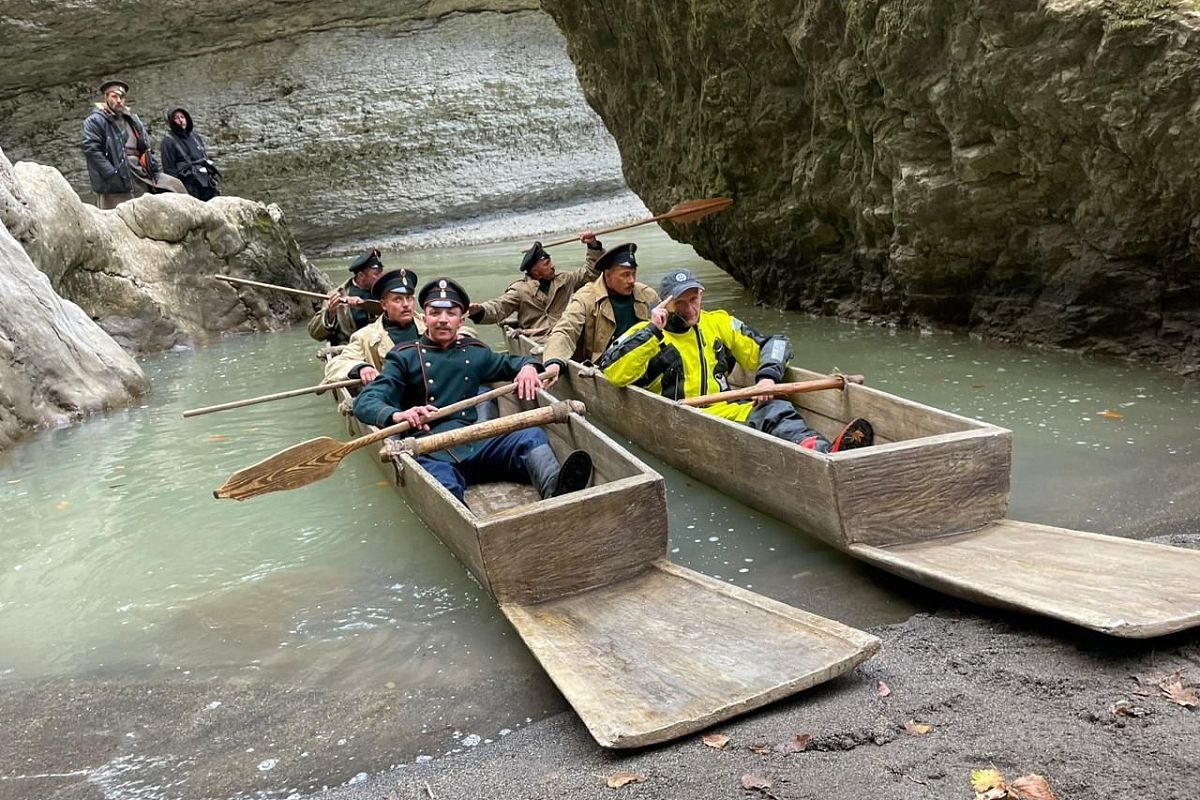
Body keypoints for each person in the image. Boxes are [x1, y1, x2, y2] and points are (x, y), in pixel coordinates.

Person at [353, 278, 593, 505]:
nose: (443, 319)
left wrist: (529, 367)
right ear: (424, 318)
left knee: (530, 436)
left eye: (451, 313)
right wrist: (398, 415)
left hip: (477, 443)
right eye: (435, 313)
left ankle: (555, 490)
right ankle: (465, 522)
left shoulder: (475, 352)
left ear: (461, 320)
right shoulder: (403, 357)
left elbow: (511, 363)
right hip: (430, 450)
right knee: (444, 488)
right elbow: (365, 401)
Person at [597, 268, 874, 453]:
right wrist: (653, 329)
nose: (690, 308)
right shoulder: (644, 333)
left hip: (724, 409)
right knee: (768, 417)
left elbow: (775, 343)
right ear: (666, 303)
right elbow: (613, 373)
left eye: (694, 299)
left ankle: (823, 451)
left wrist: (767, 378)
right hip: (678, 417)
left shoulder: (719, 322)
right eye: (681, 302)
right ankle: (821, 452)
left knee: (774, 409)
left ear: (701, 296)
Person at [540, 242, 659, 385]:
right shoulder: (586, 298)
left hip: (645, 368)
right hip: (604, 372)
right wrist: (554, 361)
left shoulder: (647, 295)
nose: (632, 280)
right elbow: (565, 330)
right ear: (607, 275)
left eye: (633, 273)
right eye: (625, 275)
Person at [466, 232, 604, 340]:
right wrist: (480, 310)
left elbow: (591, 272)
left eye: (550, 262)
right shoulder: (520, 290)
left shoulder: (565, 280)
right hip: (538, 339)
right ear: (535, 271)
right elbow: (499, 307)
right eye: (546, 264)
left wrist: (592, 245)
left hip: (567, 336)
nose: (552, 266)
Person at [80, 79, 185, 209]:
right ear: (106, 98)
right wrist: (111, 172)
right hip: (115, 177)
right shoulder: (95, 121)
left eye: (122, 97)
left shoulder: (132, 119)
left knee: (175, 186)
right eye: (114, 96)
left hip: (139, 171)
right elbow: (91, 149)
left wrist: (151, 164)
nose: (119, 100)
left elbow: (145, 145)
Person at [322, 267, 425, 384]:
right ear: (384, 304)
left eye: (409, 298)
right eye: (398, 300)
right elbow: (335, 366)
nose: (406, 304)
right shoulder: (366, 337)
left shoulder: (430, 325)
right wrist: (361, 368)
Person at [307, 249, 385, 346]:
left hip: (382, 345)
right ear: (361, 275)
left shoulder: (386, 291)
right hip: (351, 349)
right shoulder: (337, 295)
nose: (381, 276)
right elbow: (315, 334)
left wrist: (362, 304)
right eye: (376, 274)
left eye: (381, 272)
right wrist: (330, 313)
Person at [160, 107, 220, 201]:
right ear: (171, 122)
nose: (180, 120)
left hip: (205, 183)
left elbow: (204, 157)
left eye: (182, 117)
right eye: (176, 118)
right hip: (188, 187)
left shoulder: (195, 137)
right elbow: (169, 171)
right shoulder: (168, 142)